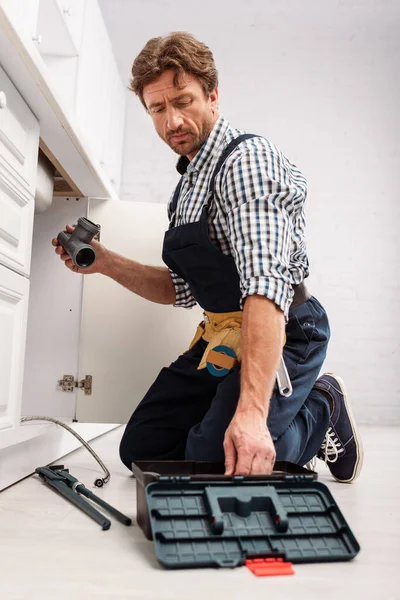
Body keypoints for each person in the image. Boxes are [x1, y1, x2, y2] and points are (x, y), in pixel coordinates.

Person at [53, 32, 363, 482]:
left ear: (213, 95)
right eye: (157, 109)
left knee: (224, 460)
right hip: (223, 336)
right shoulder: (190, 182)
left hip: (284, 332)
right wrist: (103, 261)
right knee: (142, 450)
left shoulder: (247, 161)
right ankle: (244, 426)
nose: (172, 120)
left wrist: (253, 415)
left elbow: (265, 286)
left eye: (183, 101)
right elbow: (181, 289)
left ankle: (323, 404)